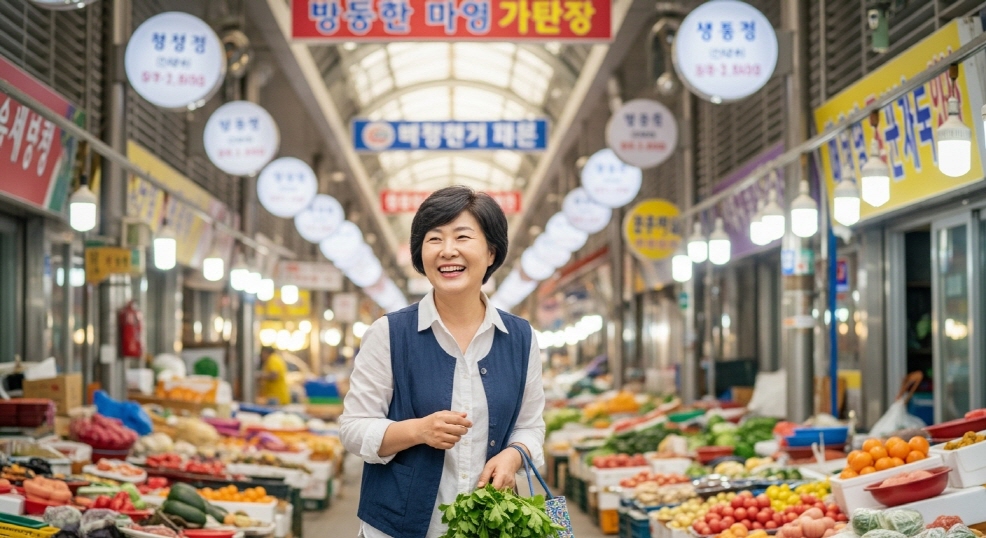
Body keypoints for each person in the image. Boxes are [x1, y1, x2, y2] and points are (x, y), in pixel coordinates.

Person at [340, 186, 546, 538]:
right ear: (420, 253)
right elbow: (353, 428)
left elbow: (530, 426)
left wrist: (514, 455)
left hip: (487, 527)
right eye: (434, 239)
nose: (447, 251)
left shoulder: (520, 338)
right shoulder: (389, 333)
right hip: (395, 529)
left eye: (463, 237)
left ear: (491, 251)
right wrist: (417, 431)